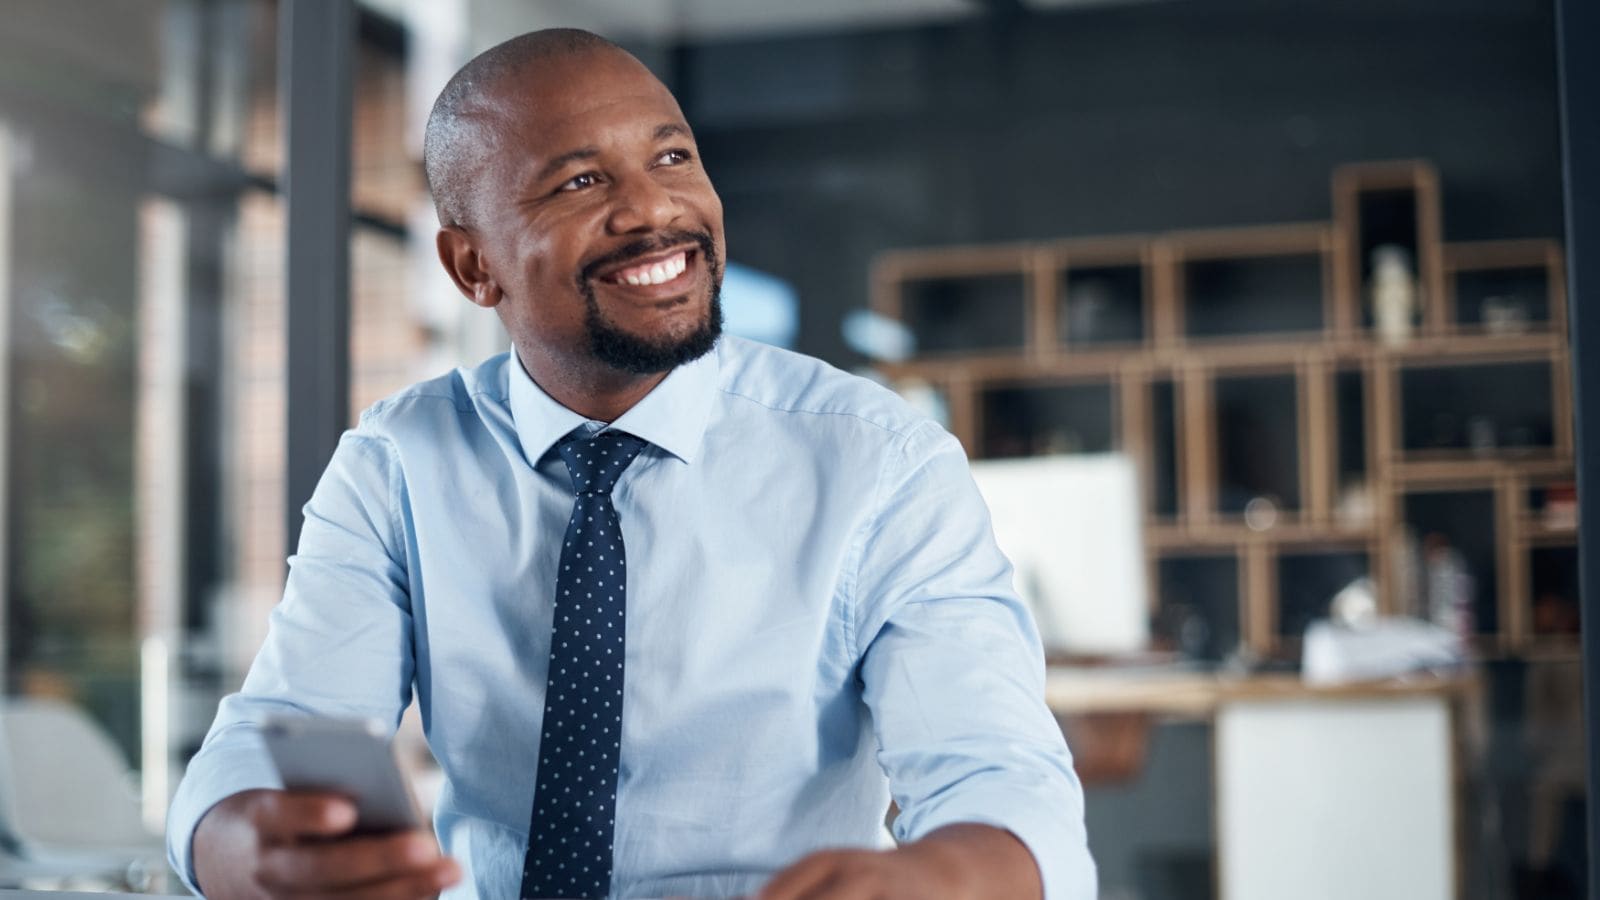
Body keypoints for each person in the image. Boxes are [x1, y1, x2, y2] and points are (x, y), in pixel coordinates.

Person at [167, 28, 1095, 900]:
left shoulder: (880, 459)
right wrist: (246, 849)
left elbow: (999, 772)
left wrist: (932, 880)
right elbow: (275, 734)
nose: (654, 210)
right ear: (472, 266)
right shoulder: (397, 464)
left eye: (672, 157)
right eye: (576, 182)